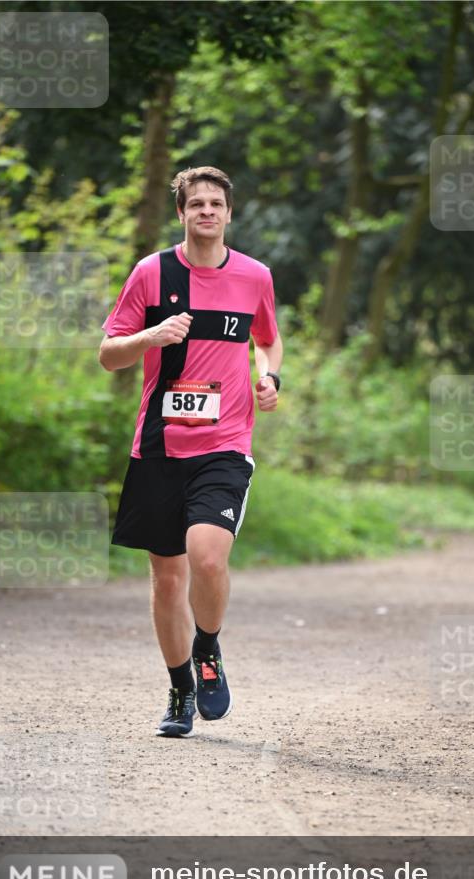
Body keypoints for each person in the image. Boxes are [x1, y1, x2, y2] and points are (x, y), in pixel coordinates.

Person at [99, 166, 283, 735]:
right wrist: (148, 337)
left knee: (206, 557)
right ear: (180, 213)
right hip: (158, 445)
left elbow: (268, 340)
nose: (206, 211)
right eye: (196, 203)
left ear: (229, 213)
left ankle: (208, 647)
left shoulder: (255, 276)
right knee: (168, 579)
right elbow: (109, 353)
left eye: (216, 203)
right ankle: (180, 694)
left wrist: (272, 378)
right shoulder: (151, 273)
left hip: (225, 443)